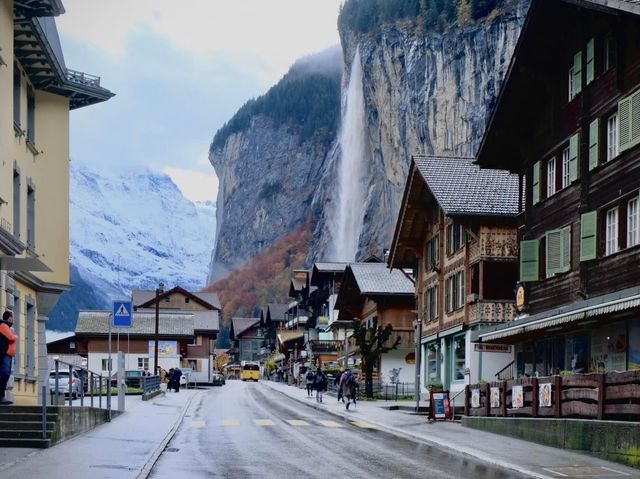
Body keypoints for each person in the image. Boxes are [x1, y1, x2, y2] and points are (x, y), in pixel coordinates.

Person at [0, 311, 17, 405]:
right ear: (10, 318)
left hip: (9, 356)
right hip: (5, 355)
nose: (13, 319)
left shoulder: (7, 327)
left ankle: (2, 396)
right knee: (4, 374)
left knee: (6, 375)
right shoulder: (3, 325)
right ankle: (1, 397)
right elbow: (11, 338)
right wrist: (15, 336)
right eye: (13, 317)